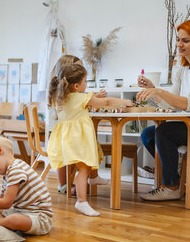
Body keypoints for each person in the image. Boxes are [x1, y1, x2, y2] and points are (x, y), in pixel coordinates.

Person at [47, 63, 132, 216]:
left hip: (66, 140)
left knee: (85, 165)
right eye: (85, 81)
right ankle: (81, 201)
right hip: (77, 139)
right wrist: (124, 102)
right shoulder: (81, 97)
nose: (87, 84)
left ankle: (91, 183)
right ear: (76, 85)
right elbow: (105, 103)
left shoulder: (60, 98)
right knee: (84, 168)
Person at [136, 20, 190, 201]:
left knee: (164, 132)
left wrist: (159, 91)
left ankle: (171, 186)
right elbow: (171, 104)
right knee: (148, 135)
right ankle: (173, 176)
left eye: (185, 41)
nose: (179, 44)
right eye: (178, 39)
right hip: (185, 124)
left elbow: (186, 104)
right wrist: (153, 88)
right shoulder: (183, 69)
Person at [50, 54, 108, 194]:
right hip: (66, 137)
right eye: (78, 68)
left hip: (67, 134)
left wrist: (92, 99)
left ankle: (90, 178)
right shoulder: (61, 94)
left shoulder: (64, 92)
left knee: (90, 142)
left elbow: (75, 105)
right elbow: (73, 106)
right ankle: (64, 184)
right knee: (86, 144)